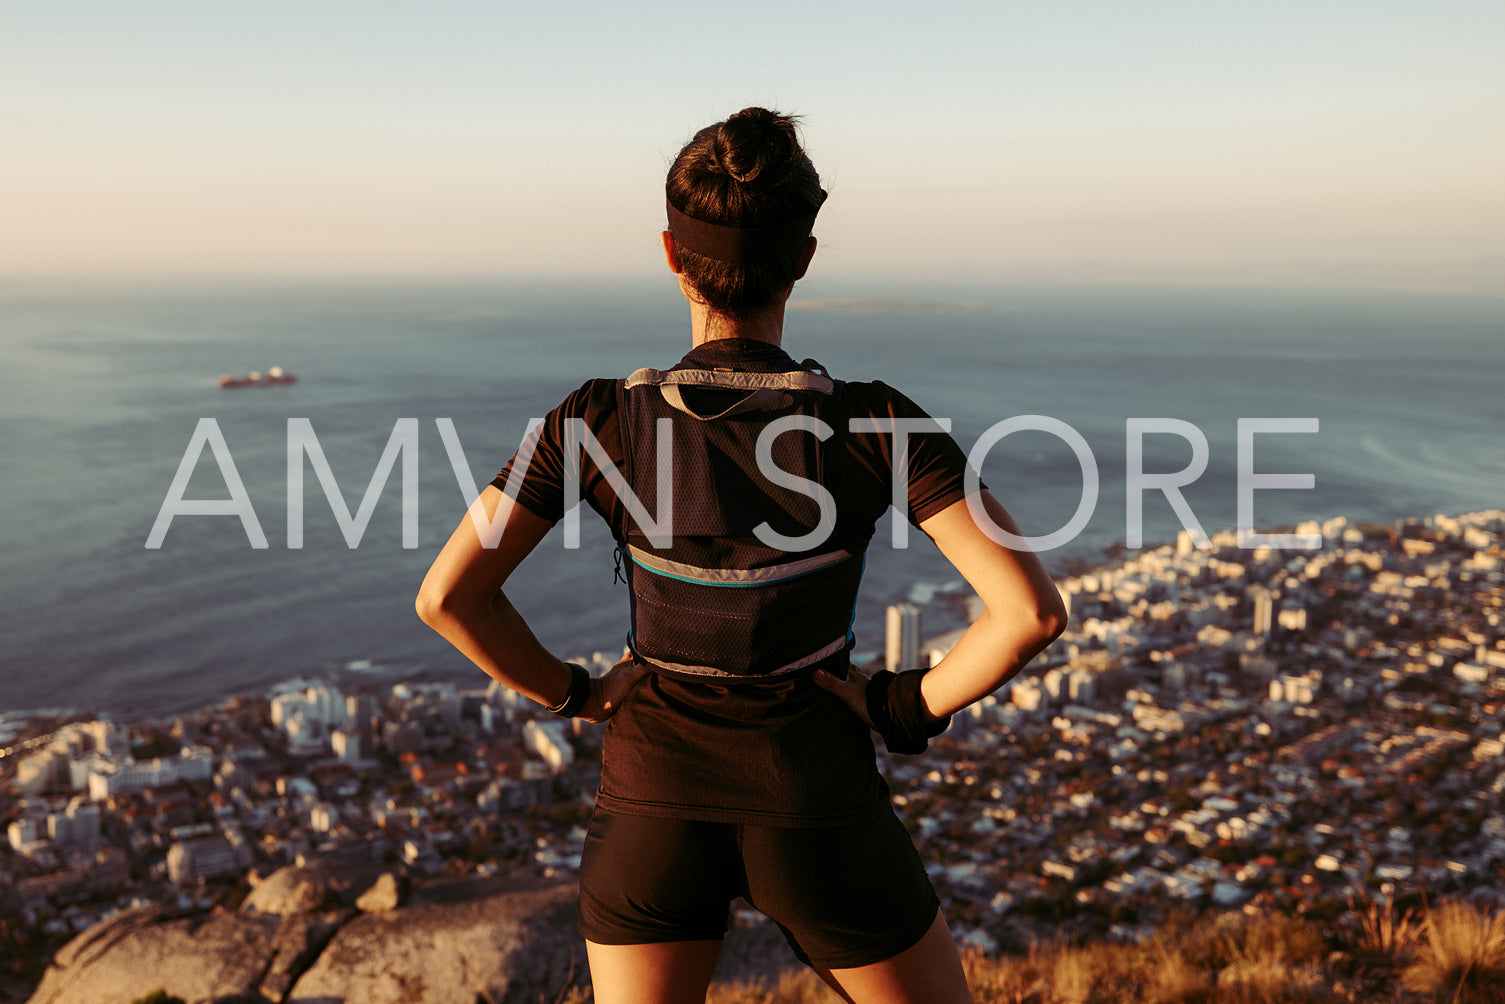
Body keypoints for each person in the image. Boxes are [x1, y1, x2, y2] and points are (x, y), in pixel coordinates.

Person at [416, 107, 1067, 1004]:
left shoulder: (601, 420)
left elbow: (450, 598)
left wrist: (573, 692)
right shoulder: (875, 423)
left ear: (671, 254)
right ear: (802, 258)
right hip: (815, 800)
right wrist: (899, 703)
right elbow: (1029, 613)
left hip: (650, 799)